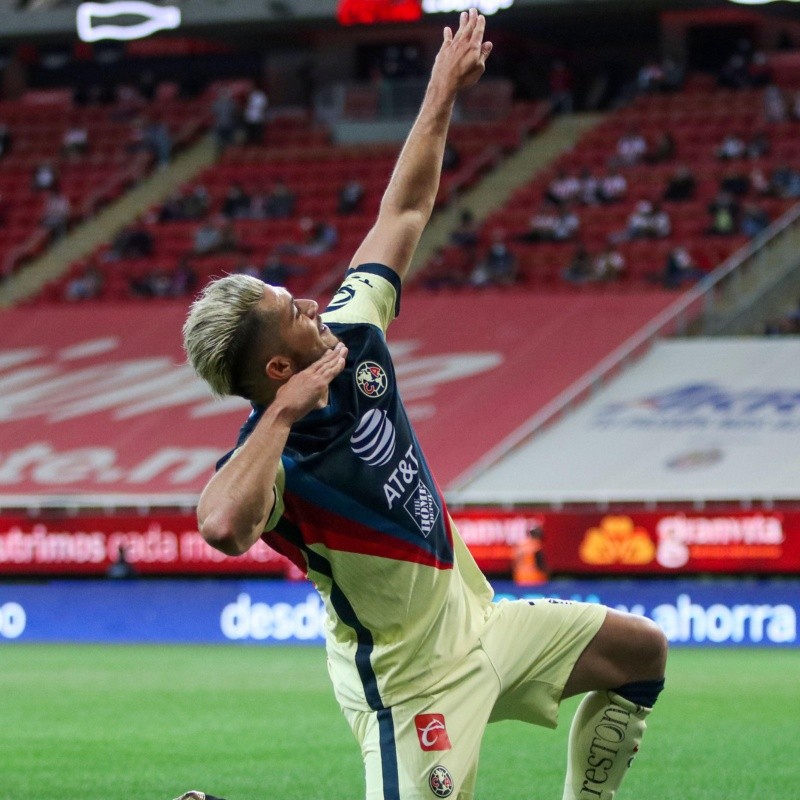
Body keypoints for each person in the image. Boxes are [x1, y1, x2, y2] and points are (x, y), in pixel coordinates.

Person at [181, 11, 667, 800]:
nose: (310, 300)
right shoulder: (278, 461)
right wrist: (282, 415)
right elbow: (221, 525)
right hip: (410, 689)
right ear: (277, 367)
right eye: (290, 308)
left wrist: (442, 90)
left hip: (486, 628)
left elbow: (402, 214)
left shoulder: (351, 328)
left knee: (641, 651)